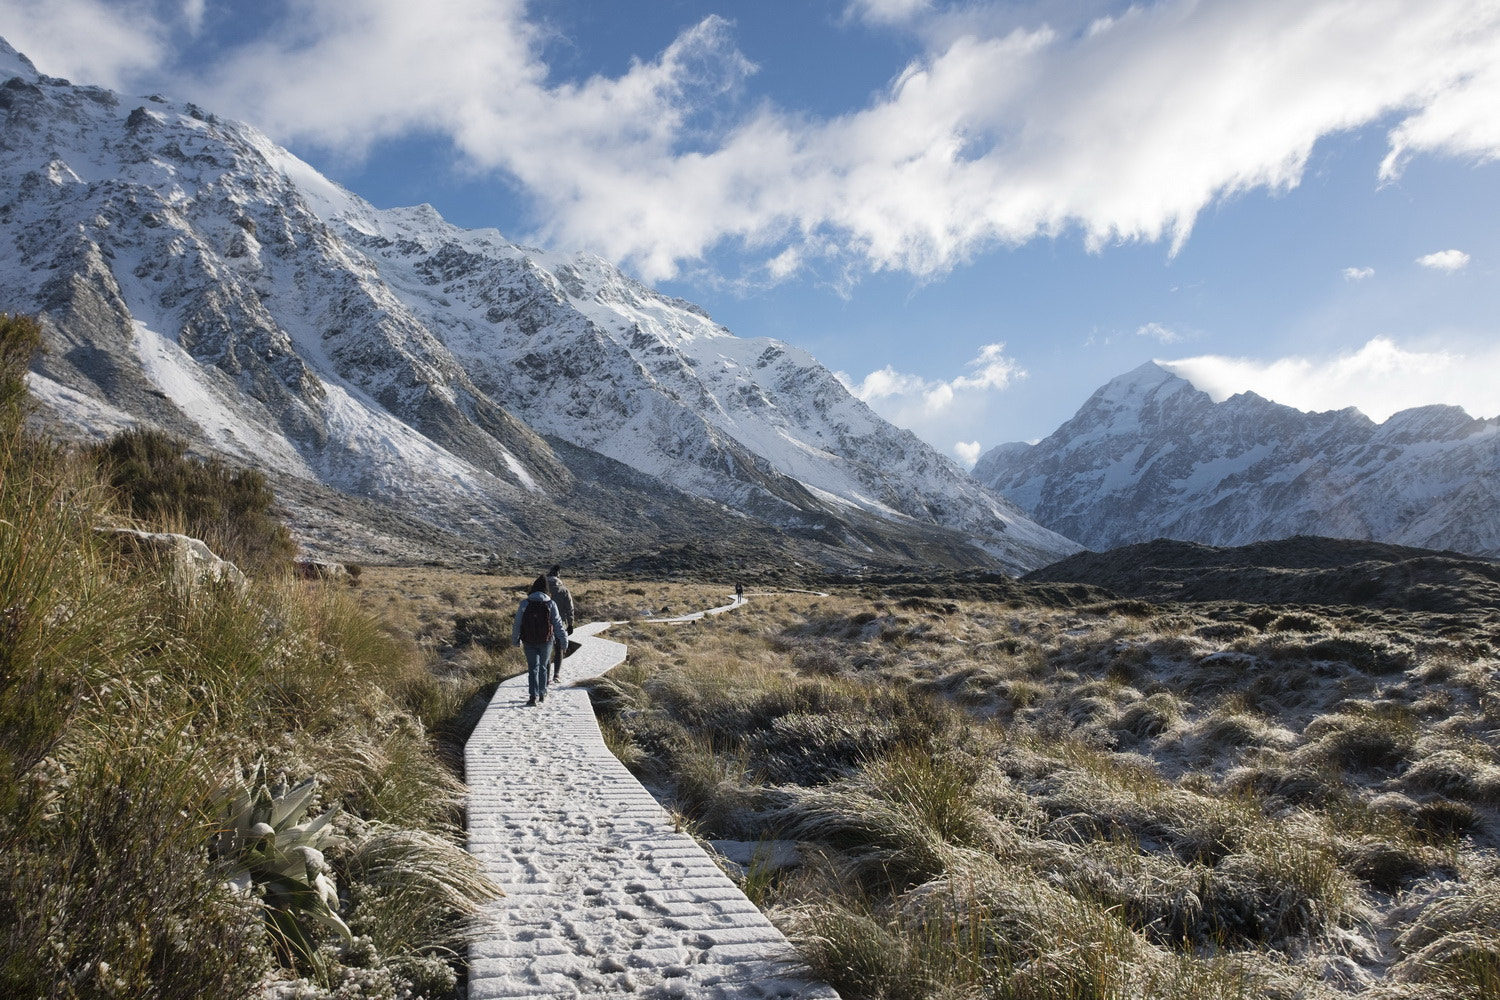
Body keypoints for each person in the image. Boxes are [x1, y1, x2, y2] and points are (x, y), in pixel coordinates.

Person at [512, 575, 567, 706]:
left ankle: (532, 696)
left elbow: (517, 624)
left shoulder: (525, 604)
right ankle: (542, 693)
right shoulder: (550, 604)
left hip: (528, 641)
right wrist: (564, 640)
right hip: (546, 641)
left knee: (532, 668)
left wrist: (515, 640)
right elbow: (558, 624)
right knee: (543, 666)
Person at [545, 565, 574, 682]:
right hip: (560, 622)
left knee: (546, 649)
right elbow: (570, 608)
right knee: (559, 648)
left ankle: (546, 677)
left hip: (544, 622)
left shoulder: (543, 589)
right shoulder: (564, 589)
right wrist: (571, 623)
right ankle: (556, 674)